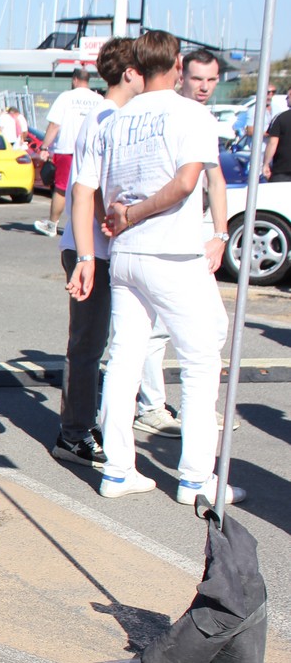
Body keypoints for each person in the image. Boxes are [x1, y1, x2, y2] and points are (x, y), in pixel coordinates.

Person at [69, 29, 240, 505]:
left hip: (125, 255)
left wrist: (93, 247)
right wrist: (133, 214)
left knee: (124, 358)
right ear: (178, 65)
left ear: (138, 67)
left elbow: (84, 189)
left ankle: (118, 470)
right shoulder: (191, 113)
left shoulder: (113, 120)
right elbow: (187, 183)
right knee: (201, 359)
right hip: (172, 250)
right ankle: (196, 480)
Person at [49, 37, 139, 466]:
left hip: (97, 247)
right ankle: (73, 433)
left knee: (97, 343)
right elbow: (91, 186)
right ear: (130, 73)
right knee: (87, 345)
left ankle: (87, 421)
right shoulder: (106, 118)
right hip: (92, 248)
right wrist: (108, 222)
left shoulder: (109, 115)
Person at [34, 67, 103, 237]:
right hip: (92, 150)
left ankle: (52, 224)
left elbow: (54, 125)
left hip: (68, 148)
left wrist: (44, 147)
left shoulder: (66, 97)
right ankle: (91, 226)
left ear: (75, 80)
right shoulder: (99, 99)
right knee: (91, 188)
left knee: (62, 188)